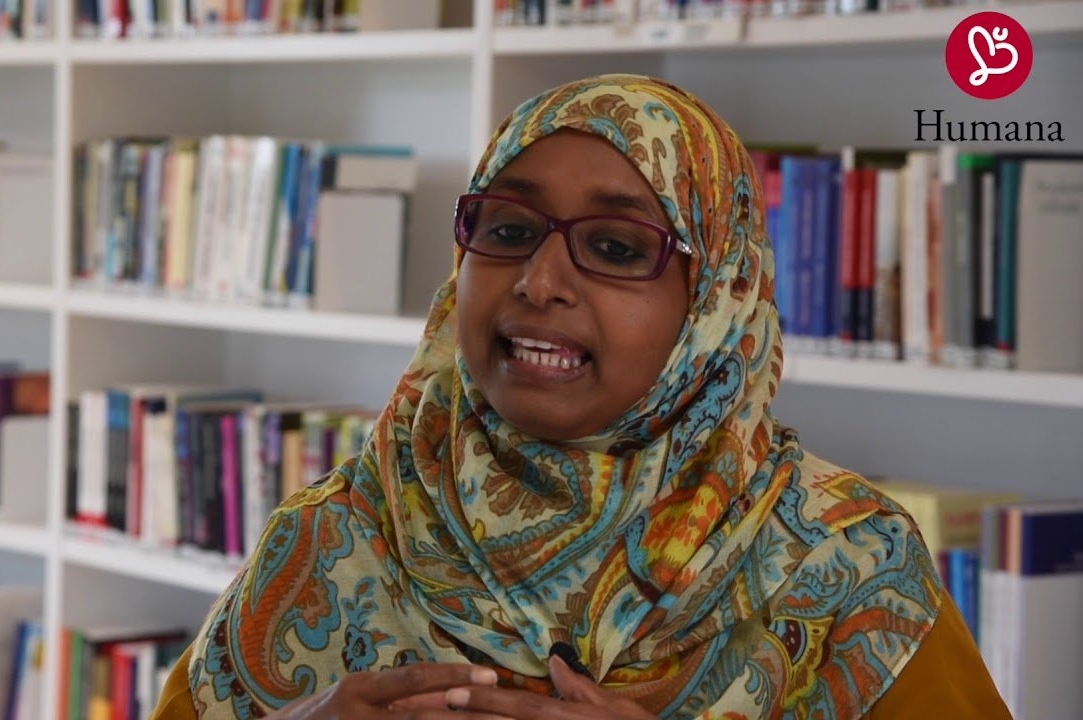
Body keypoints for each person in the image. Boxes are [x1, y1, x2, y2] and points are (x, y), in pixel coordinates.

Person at [151, 73, 1008, 719]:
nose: (539, 280)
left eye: (616, 247)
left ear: (715, 300)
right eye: (508, 229)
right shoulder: (331, 535)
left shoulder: (846, 566)